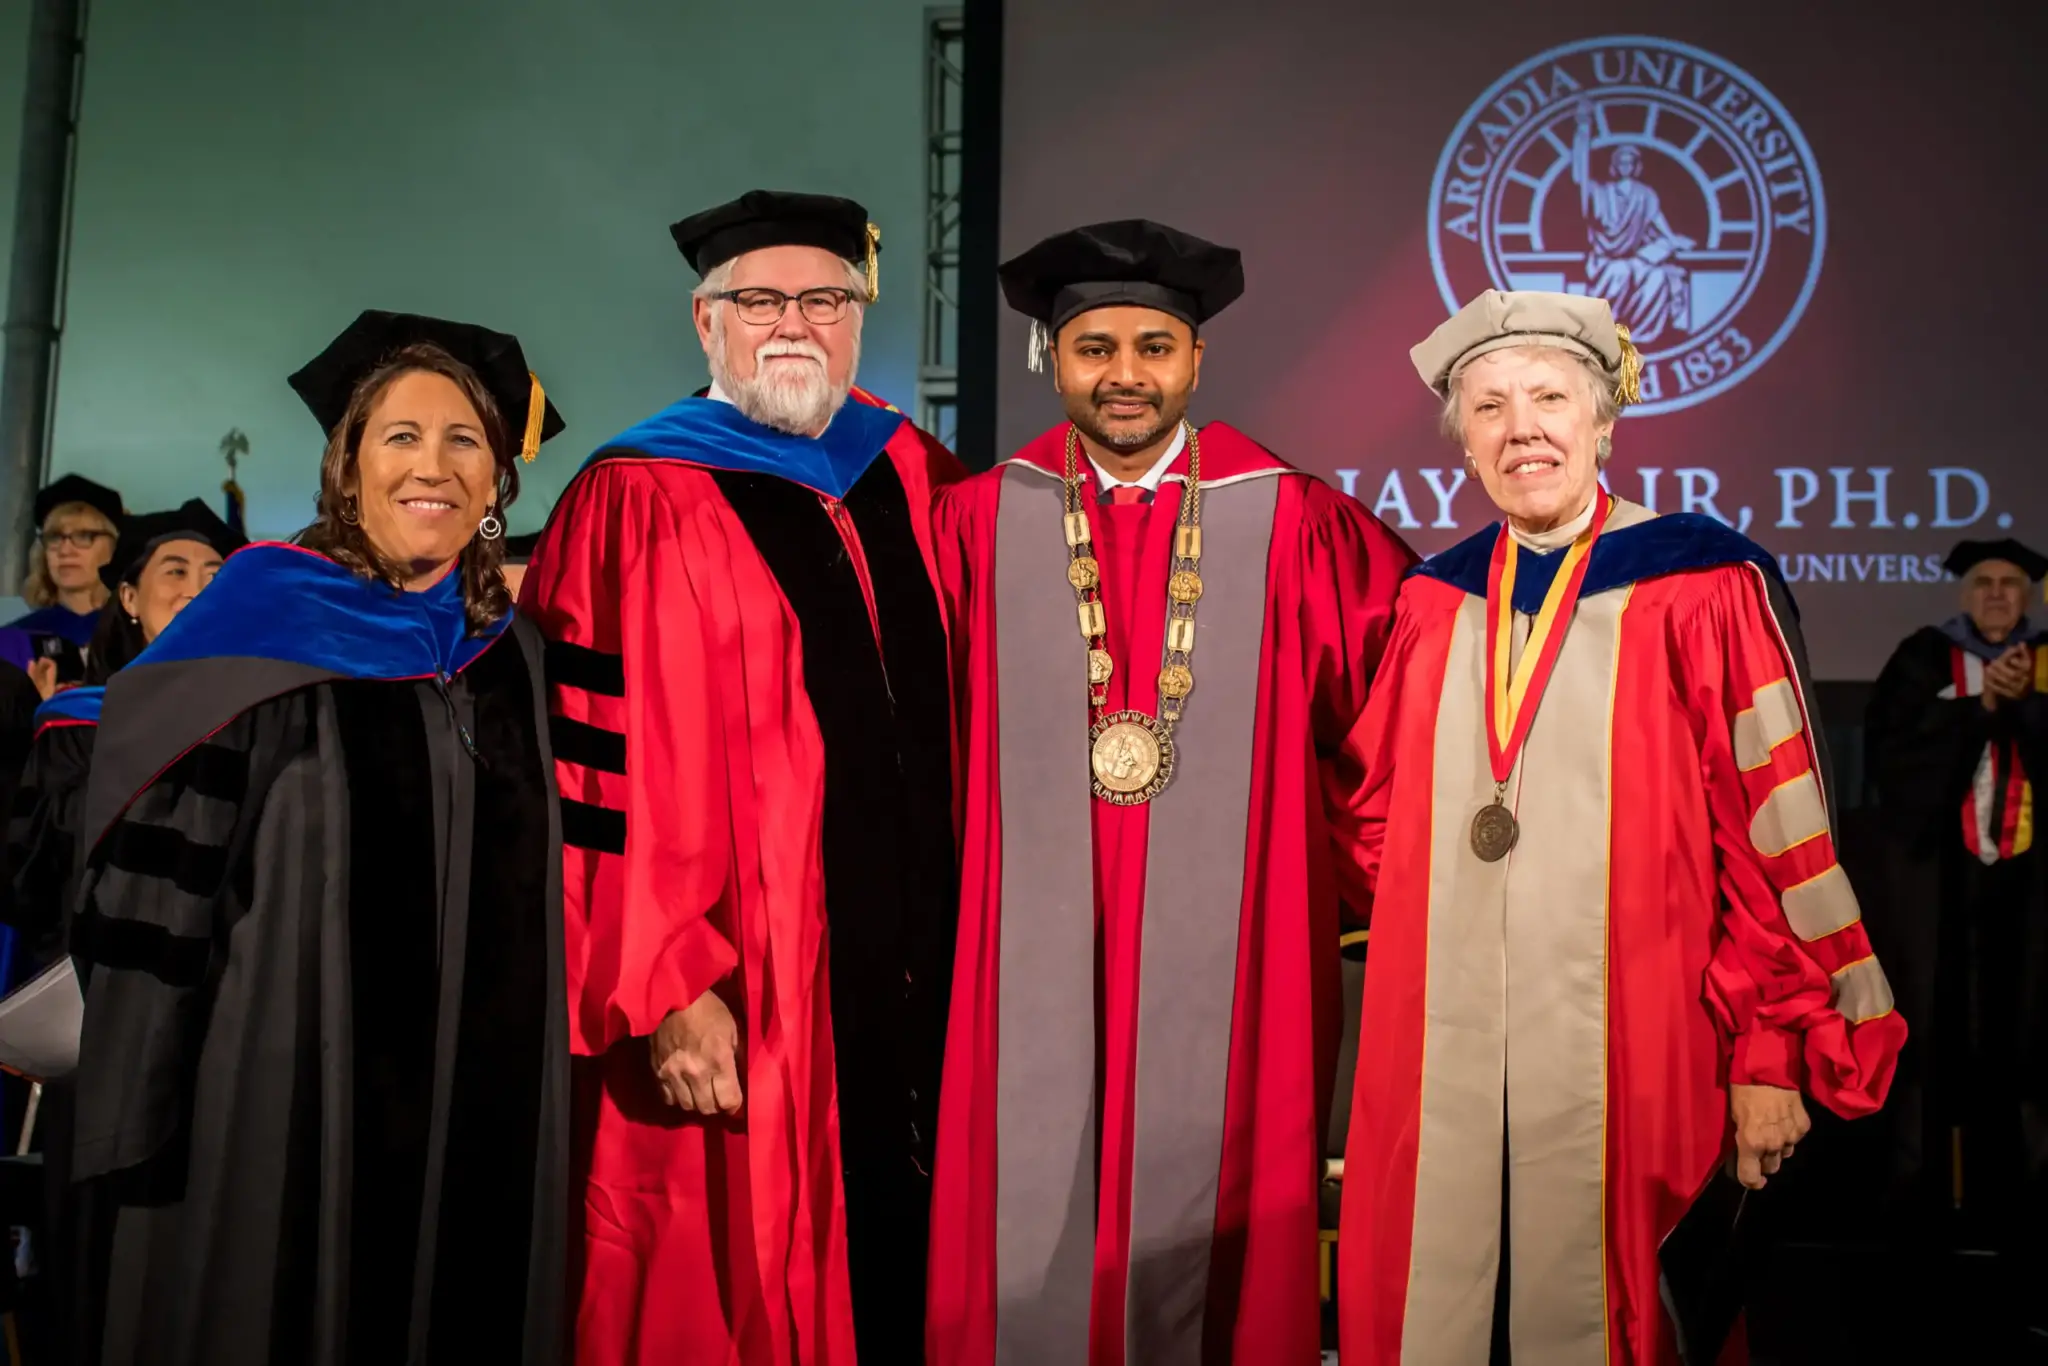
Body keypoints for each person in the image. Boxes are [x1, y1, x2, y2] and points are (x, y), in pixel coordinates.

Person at [1335, 289, 1905, 1366]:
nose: (1523, 430)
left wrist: (1769, 1045)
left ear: (1603, 420)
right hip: (1444, 1062)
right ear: (1461, 445)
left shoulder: (1700, 583)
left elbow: (1772, 835)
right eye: (1490, 409)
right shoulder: (1429, 606)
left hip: (1641, 1050)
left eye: (1549, 398)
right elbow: (1367, 826)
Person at [923, 219, 1415, 1366]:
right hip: (1023, 954)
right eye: (1094, 347)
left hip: (1240, 963)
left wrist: (1363, 888)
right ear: (1051, 359)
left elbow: (1391, 726)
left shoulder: (1294, 520)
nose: (1126, 374)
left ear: (1195, 361)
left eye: (1153, 346)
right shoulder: (976, 521)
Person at [68, 310, 571, 1366]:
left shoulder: (515, 658)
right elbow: (152, 897)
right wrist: (140, 1110)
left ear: (494, 488)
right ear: (346, 468)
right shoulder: (251, 624)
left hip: (484, 1112)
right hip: (270, 1102)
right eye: (399, 435)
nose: (430, 466)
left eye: (463, 439)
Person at [521, 190, 960, 1366]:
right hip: (742, 990)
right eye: (758, 299)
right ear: (704, 319)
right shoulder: (634, 493)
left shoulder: (909, 469)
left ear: (860, 319)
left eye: (825, 300)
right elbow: (586, 763)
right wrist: (662, 984)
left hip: (925, 980)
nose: (792, 325)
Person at [1864, 537, 2047, 1332]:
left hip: (2032, 898)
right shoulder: (1922, 657)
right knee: (1926, 1055)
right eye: (1986, 584)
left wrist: (2024, 707)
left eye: (2011, 584)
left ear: (2030, 597)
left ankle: (2034, 1253)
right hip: (1938, 888)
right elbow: (1893, 760)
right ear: (1966, 594)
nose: (1999, 595)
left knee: (2032, 1057)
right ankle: (1913, 1259)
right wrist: (1980, 709)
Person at [9, 476, 124, 689]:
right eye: (54, 537)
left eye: (84, 536)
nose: (65, 550)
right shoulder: (12, 641)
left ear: (115, 548)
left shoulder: (139, 634)